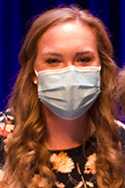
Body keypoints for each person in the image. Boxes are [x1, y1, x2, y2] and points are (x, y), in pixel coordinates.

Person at [0, 5, 125, 188]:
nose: (70, 72)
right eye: (53, 61)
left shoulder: (120, 140)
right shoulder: (3, 136)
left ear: (101, 69)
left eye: (83, 60)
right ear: (34, 73)